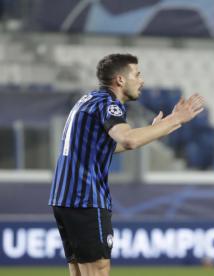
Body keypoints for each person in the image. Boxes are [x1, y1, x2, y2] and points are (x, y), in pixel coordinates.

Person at [48, 53, 204, 276]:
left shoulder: (90, 99)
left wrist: (154, 132)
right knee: (99, 270)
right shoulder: (108, 104)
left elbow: (109, 146)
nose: (141, 81)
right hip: (85, 197)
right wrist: (176, 119)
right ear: (120, 80)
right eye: (137, 75)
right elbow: (128, 139)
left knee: (80, 271)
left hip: (65, 197)